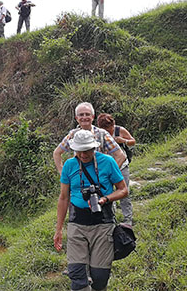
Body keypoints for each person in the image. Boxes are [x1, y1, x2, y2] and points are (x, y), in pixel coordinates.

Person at [54, 129, 129, 291]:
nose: (83, 154)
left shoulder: (108, 162)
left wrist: (105, 199)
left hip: (103, 225)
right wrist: (58, 229)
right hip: (77, 224)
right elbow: (63, 198)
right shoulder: (69, 165)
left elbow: (123, 190)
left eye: (87, 150)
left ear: (94, 148)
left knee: (100, 278)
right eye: (80, 151)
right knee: (77, 275)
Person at [53, 102, 126, 176]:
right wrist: (63, 174)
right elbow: (57, 153)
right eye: (81, 115)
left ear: (93, 117)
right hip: (80, 179)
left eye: (87, 114)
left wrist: (109, 174)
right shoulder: (73, 135)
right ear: (76, 118)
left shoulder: (102, 134)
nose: (84, 117)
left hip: (99, 180)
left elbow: (121, 156)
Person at [96, 113, 136, 227]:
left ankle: (128, 219)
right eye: (106, 129)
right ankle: (111, 218)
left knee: (124, 192)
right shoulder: (97, 135)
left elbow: (133, 141)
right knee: (108, 193)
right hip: (105, 169)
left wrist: (123, 140)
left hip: (121, 166)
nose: (109, 131)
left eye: (110, 128)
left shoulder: (119, 130)